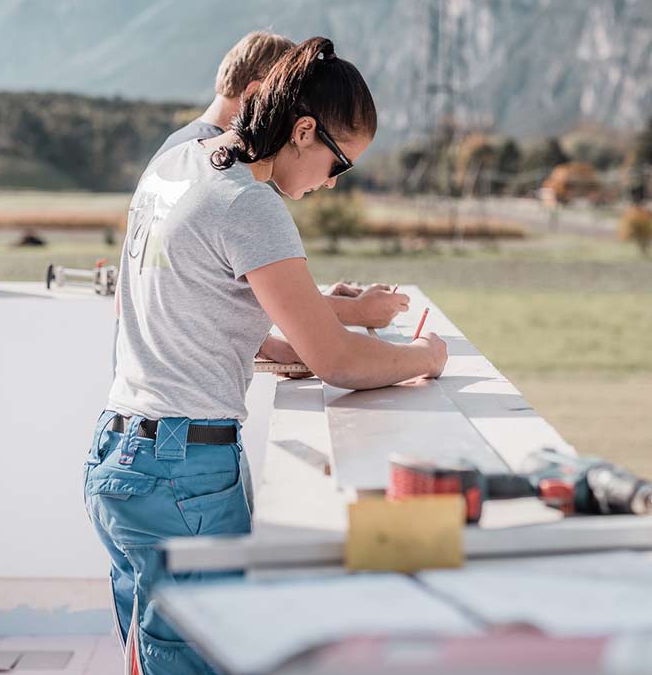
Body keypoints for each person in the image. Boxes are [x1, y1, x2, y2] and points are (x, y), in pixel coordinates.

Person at [84, 36, 448, 673]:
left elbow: (194, 310)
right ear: (303, 131)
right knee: (200, 656)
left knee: (147, 655)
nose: (331, 185)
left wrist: (290, 346)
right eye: (340, 166)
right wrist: (423, 356)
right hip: (182, 472)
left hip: (116, 458)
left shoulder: (179, 162)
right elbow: (339, 360)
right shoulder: (250, 203)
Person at [146, 29, 404, 329]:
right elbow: (178, 296)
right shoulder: (217, 169)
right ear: (257, 94)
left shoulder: (187, 153)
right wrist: (355, 313)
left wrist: (309, 299)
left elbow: (210, 288)